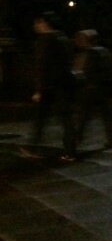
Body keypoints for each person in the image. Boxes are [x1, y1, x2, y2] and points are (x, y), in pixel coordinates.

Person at [19, 11, 77, 162]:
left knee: (41, 118)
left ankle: (33, 147)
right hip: (63, 84)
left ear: (45, 23)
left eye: (37, 22)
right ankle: (70, 151)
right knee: (65, 119)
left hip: (49, 87)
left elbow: (42, 66)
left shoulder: (45, 41)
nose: (35, 26)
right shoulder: (63, 39)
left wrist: (39, 90)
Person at [72, 29, 112, 149]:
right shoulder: (105, 51)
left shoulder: (91, 53)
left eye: (81, 39)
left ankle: (77, 139)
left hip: (93, 89)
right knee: (108, 117)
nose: (78, 42)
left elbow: (85, 71)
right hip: (105, 89)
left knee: (83, 116)